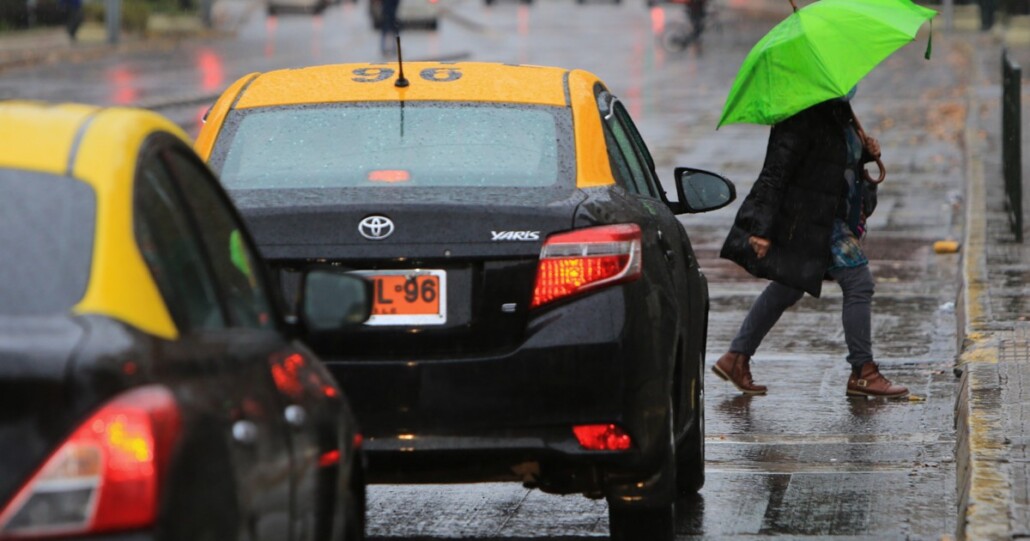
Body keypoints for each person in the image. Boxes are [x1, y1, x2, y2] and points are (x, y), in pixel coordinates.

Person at [714, 88, 910, 399]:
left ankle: (736, 358)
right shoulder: (800, 116)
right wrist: (761, 229)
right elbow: (774, 174)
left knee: (788, 285)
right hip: (810, 218)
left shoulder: (838, 111)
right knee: (859, 282)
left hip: (827, 214)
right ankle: (863, 372)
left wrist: (865, 151)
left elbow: (835, 161)